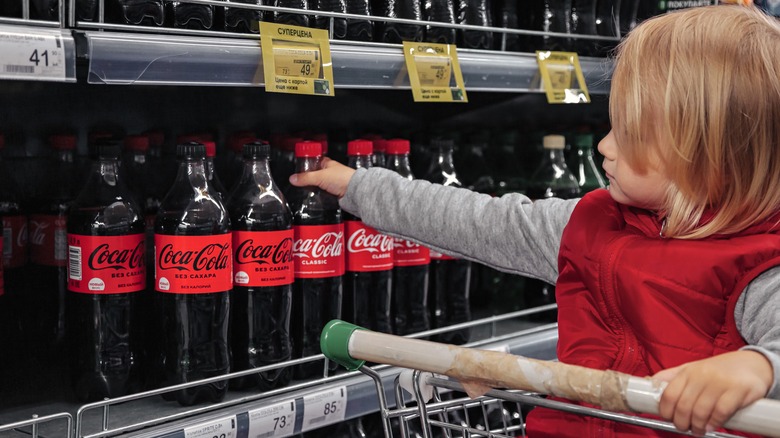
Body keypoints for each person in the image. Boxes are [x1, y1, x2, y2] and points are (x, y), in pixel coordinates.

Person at [290, 5, 780, 437]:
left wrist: (755, 367)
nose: (605, 148)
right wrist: (361, 187)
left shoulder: (758, 266)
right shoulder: (591, 225)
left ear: (708, 160)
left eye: (629, 136)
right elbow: (480, 221)